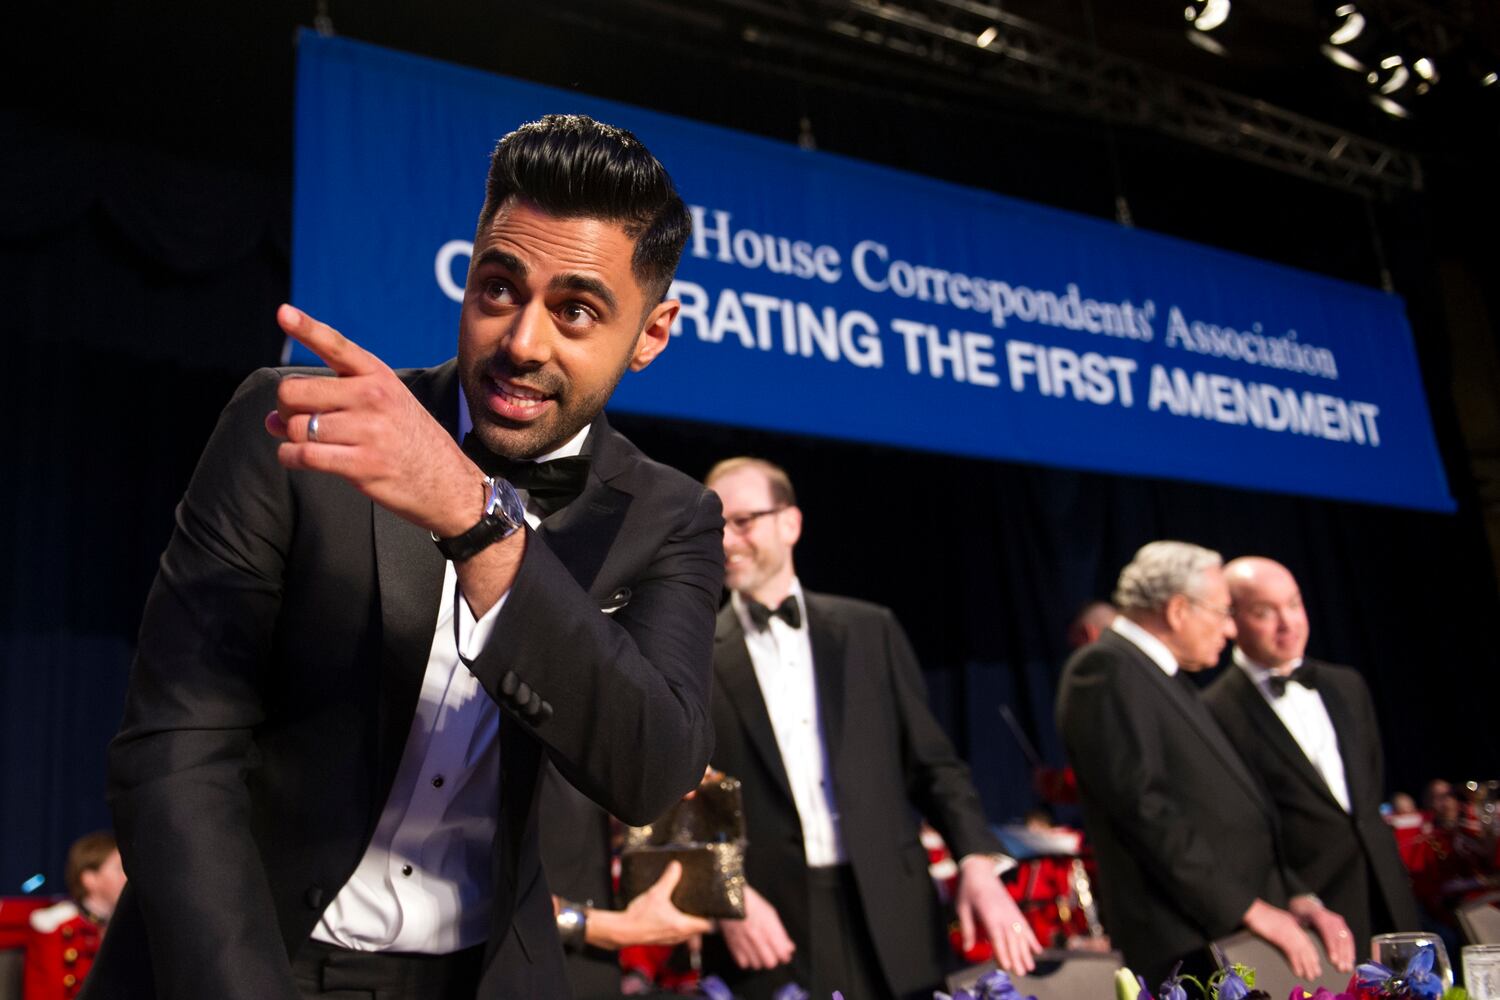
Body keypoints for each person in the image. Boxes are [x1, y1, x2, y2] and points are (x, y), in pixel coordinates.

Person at [83, 114, 723, 1000]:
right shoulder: (298, 422)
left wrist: (475, 517)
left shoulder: (672, 517)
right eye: (499, 288)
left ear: (650, 335)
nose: (524, 342)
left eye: (575, 311)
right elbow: (172, 749)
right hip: (243, 960)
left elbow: (652, 771)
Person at [699, 457, 1040, 1000]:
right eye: (714, 525)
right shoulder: (689, 654)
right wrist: (726, 897)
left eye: (743, 521)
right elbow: (677, 795)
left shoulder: (869, 629)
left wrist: (977, 862)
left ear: (791, 523)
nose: (726, 540)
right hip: (768, 928)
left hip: (895, 913)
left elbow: (933, 766)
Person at [1055, 541, 1354, 985]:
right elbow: (1146, 812)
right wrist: (1250, 909)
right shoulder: (1105, 669)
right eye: (1221, 612)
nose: (1230, 629)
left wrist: (1294, 896)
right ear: (1178, 610)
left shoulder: (1160, 674)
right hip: (1188, 946)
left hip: (1227, 930)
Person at [1202, 556, 1421, 955]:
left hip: (1390, 894)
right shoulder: (1213, 712)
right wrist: (1297, 897)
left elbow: (1368, 794)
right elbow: (1239, 834)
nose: (1288, 623)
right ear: (1230, 620)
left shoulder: (1347, 684)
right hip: (1309, 914)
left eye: (1294, 604)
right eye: (1264, 612)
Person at [24, 832, 126, 1000]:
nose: (127, 878)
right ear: (90, 879)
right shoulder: (56, 926)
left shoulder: (127, 925)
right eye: (119, 869)